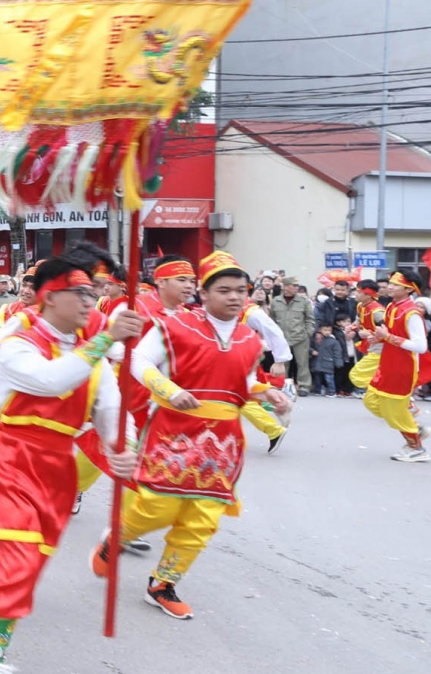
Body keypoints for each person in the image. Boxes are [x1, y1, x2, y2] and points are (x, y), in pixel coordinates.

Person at [0, 251, 144, 672]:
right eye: (81, 293)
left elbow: (108, 409)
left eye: (95, 293)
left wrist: (123, 451)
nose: (92, 302)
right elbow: (52, 381)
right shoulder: (18, 344)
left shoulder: (91, 352)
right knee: (18, 561)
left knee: (28, 565)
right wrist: (105, 340)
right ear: (49, 296)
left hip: (57, 469)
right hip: (10, 458)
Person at [88, 251, 292, 620]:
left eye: (241, 291)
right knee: (157, 506)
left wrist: (266, 392)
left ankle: (163, 583)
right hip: (174, 433)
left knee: (203, 518)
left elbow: (242, 384)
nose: (234, 297)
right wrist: (169, 391)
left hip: (225, 443)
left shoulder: (249, 338)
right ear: (205, 293)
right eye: (225, 290)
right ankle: (116, 538)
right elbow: (138, 361)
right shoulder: (175, 326)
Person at [362, 271, 431, 461]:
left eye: (395, 284)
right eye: (390, 283)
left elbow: (420, 346)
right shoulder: (392, 306)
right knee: (371, 401)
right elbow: (391, 334)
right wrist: (378, 337)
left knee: (393, 410)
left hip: (403, 368)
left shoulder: (412, 313)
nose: (390, 286)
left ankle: (416, 448)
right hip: (388, 364)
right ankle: (413, 427)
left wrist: (388, 337)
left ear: (409, 289)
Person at [271, 276, 316, 395]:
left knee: (302, 362)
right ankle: (282, 384)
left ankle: (304, 386)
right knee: (282, 362)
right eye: (294, 285)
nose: (297, 288)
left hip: (300, 337)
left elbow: (309, 319)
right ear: (285, 286)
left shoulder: (304, 301)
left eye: (297, 286)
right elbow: (272, 319)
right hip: (281, 338)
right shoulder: (276, 301)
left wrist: (308, 333)